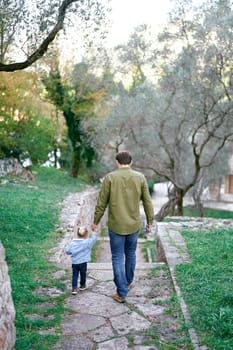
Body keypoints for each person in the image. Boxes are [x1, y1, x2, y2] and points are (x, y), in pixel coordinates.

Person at [91, 151, 154, 303]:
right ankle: (127, 283)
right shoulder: (140, 178)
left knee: (118, 257)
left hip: (116, 225)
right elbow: (147, 202)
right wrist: (150, 222)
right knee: (131, 254)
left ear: (117, 162)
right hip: (133, 225)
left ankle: (121, 292)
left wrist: (95, 221)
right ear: (130, 162)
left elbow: (101, 203)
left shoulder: (110, 178)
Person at [65, 226, 98, 295]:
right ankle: (82, 286)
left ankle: (74, 288)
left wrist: (71, 251)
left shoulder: (72, 243)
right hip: (83, 262)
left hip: (75, 262)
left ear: (77, 234)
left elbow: (67, 251)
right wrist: (94, 231)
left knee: (75, 275)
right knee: (83, 274)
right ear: (86, 234)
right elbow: (94, 239)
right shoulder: (87, 243)